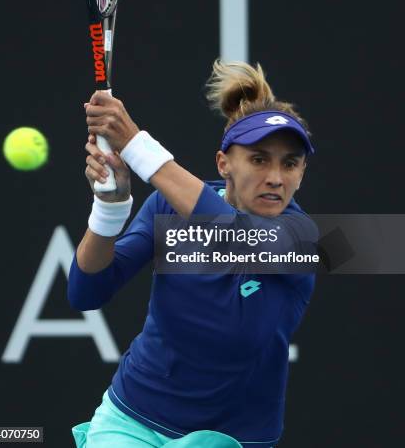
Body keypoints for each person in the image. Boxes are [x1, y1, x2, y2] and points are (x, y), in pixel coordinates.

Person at [68, 60, 318, 447]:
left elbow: (230, 232)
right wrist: (110, 207)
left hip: (231, 436)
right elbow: (86, 292)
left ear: (301, 173)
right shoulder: (166, 209)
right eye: (258, 159)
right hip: (133, 414)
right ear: (224, 164)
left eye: (290, 164)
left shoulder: (300, 239)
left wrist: (135, 144)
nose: (275, 177)